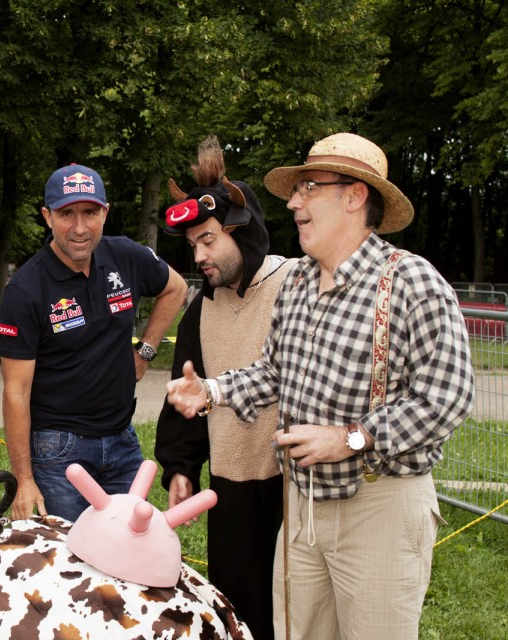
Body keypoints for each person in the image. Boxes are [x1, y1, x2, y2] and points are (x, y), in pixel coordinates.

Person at [165, 132, 474, 639]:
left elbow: (447, 397)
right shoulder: (301, 283)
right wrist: (213, 392)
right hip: (303, 507)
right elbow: (274, 371)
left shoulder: (412, 282)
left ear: (354, 196)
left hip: (380, 506)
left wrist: (351, 437)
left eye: (309, 187)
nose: (292, 202)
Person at [155, 135, 294, 640]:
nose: (200, 256)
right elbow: (185, 390)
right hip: (231, 488)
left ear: (245, 230)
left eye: (209, 240)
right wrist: (181, 467)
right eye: (193, 245)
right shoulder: (202, 307)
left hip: (293, 487)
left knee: (295, 610)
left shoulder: (294, 286)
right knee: (239, 610)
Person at [0, 163, 187, 522]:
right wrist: (24, 479)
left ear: (105, 212)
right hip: (59, 452)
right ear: (47, 216)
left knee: (132, 548)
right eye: (67, 213)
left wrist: (145, 351)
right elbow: (15, 392)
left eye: (90, 212)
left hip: (122, 439)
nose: (80, 227)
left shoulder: (126, 256)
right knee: (70, 558)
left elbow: (175, 288)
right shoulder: (25, 290)